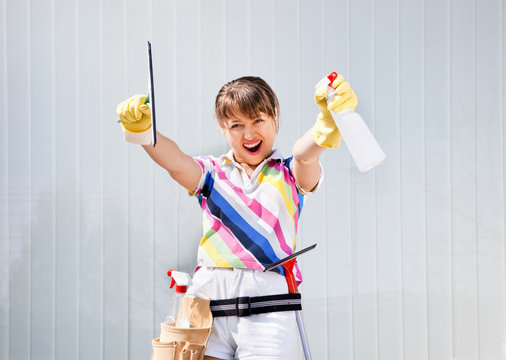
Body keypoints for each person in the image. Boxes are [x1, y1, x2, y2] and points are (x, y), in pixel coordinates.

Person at [116, 75, 357, 360]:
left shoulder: (289, 173)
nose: (249, 134)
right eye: (236, 125)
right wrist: (146, 133)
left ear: (275, 117)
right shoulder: (212, 172)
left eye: (258, 121)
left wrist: (326, 126)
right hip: (208, 309)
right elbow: (177, 164)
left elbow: (304, 156)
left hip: (268, 310)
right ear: (223, 129)